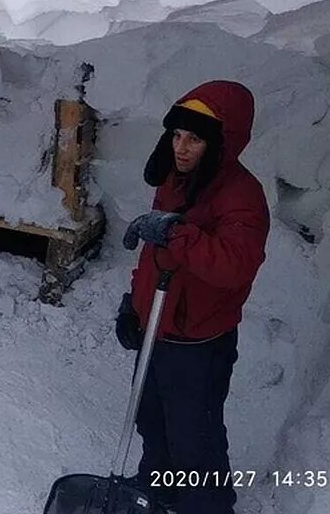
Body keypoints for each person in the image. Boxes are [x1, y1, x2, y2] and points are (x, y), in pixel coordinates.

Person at [116, 80, 270, 513]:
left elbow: (234, 264)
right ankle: (157, 490)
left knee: (194, 441)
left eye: (195, 139)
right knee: (152, 421)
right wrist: (135, 305)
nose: (181, 148)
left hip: (199, 345)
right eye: (177, 136)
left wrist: (176, 232)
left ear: (221, 142)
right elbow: (156, 258)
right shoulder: (177, 180)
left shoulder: (241, 196)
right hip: (159, 330)